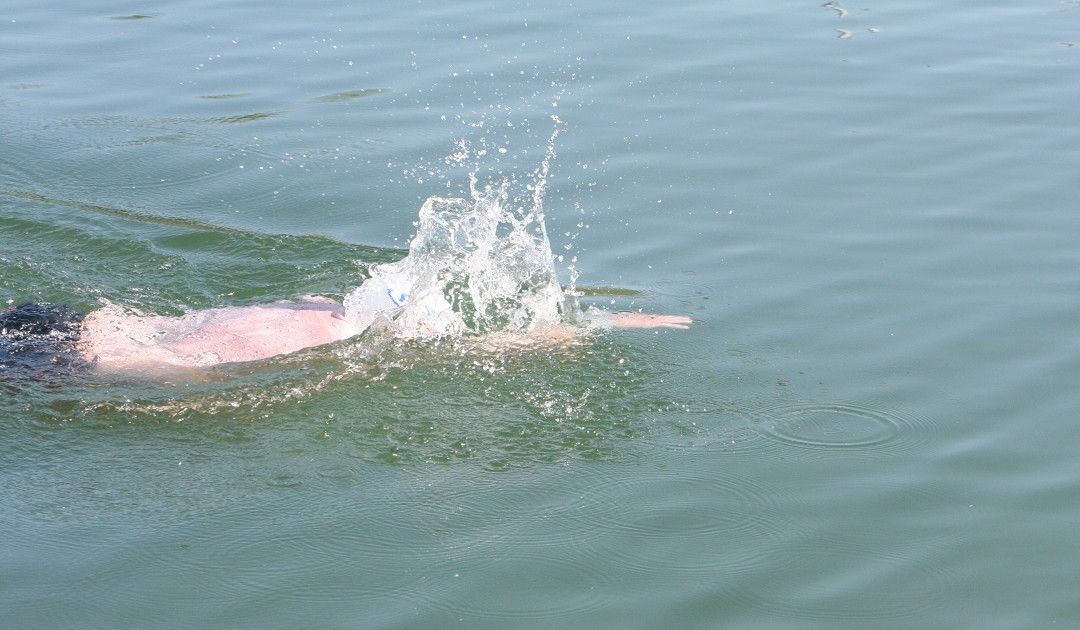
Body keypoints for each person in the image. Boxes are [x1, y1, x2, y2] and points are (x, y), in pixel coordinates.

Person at [2, 277, 690, 375]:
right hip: (82, 359)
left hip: (87, 329)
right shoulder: (357, 327)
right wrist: (591, 326)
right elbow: (480, 346)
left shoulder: (329, 306)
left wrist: (603, 320)